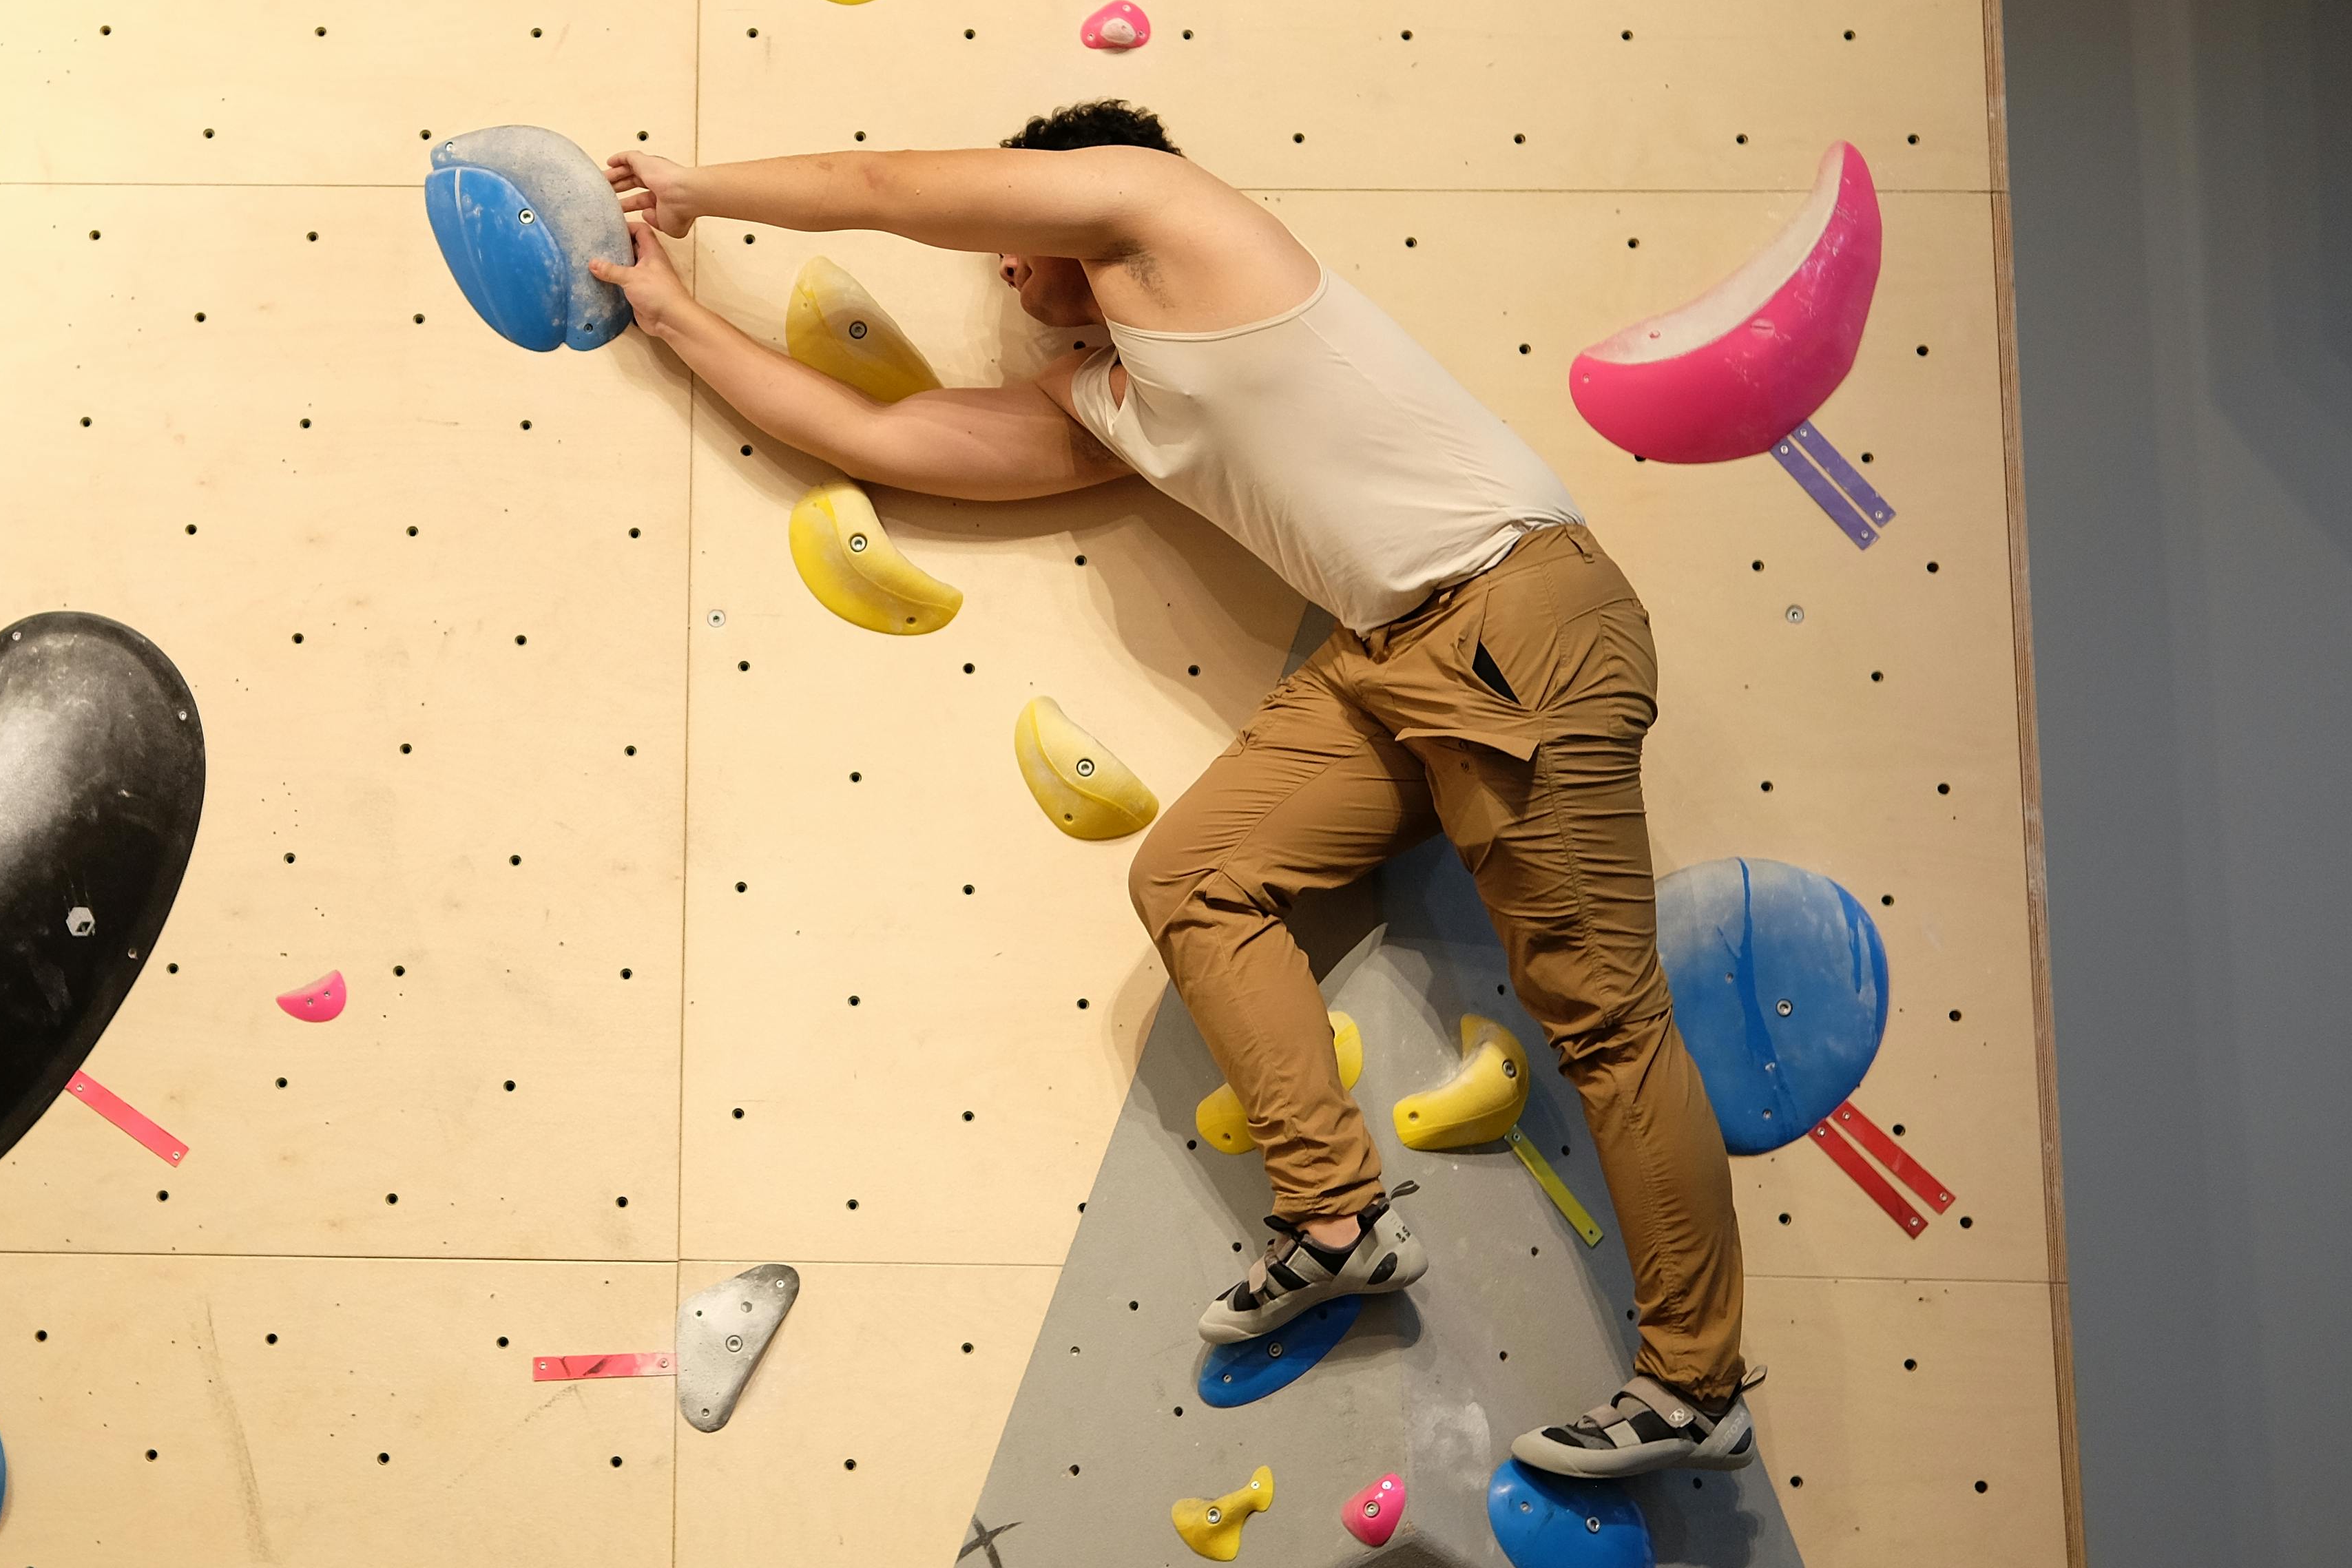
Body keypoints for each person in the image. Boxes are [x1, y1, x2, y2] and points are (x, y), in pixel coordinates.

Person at [585, 100, 1753, 1478]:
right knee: (1195, 877)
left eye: (1016, 244)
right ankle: (1338, 1224)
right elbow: (880, 440)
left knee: (1602, 1020)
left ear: (1068, 193)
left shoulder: (1172, 212)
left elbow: (887, 183)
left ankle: (1694, 1387)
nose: (1011, 281)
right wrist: (671, 319)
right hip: (1393, 657)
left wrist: (694, 185)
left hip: (1512, 615)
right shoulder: (1120, 403)